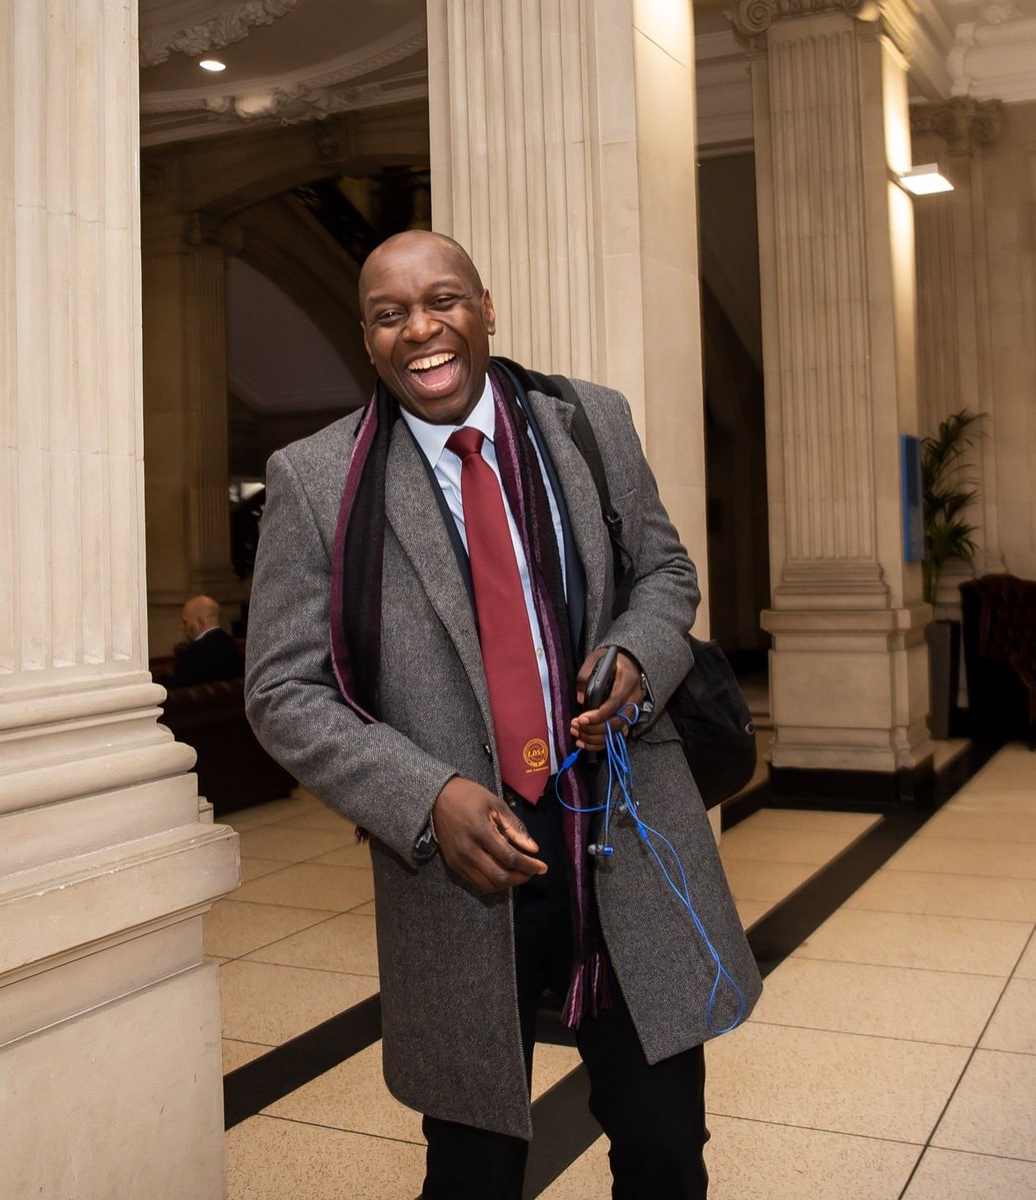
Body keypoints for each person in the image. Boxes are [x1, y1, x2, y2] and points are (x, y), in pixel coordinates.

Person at [244, 230, 761, 1198]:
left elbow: (665, 571)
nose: (420, 329)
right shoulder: (317, 478)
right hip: (459, 872)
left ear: (485, 309)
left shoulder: (590, 423)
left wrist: (636, 655)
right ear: (368, 338)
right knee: (474, 1166)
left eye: (442, 301)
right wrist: (425, 795)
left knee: (663, 1144)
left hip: (622, 833)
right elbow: (282, 689)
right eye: (391, 315)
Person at [167, 595, 243, 687]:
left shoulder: (191, 654)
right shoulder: (233, 645)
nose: (182, 627)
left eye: (185, 622)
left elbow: (176, 691)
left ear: (200, 622)